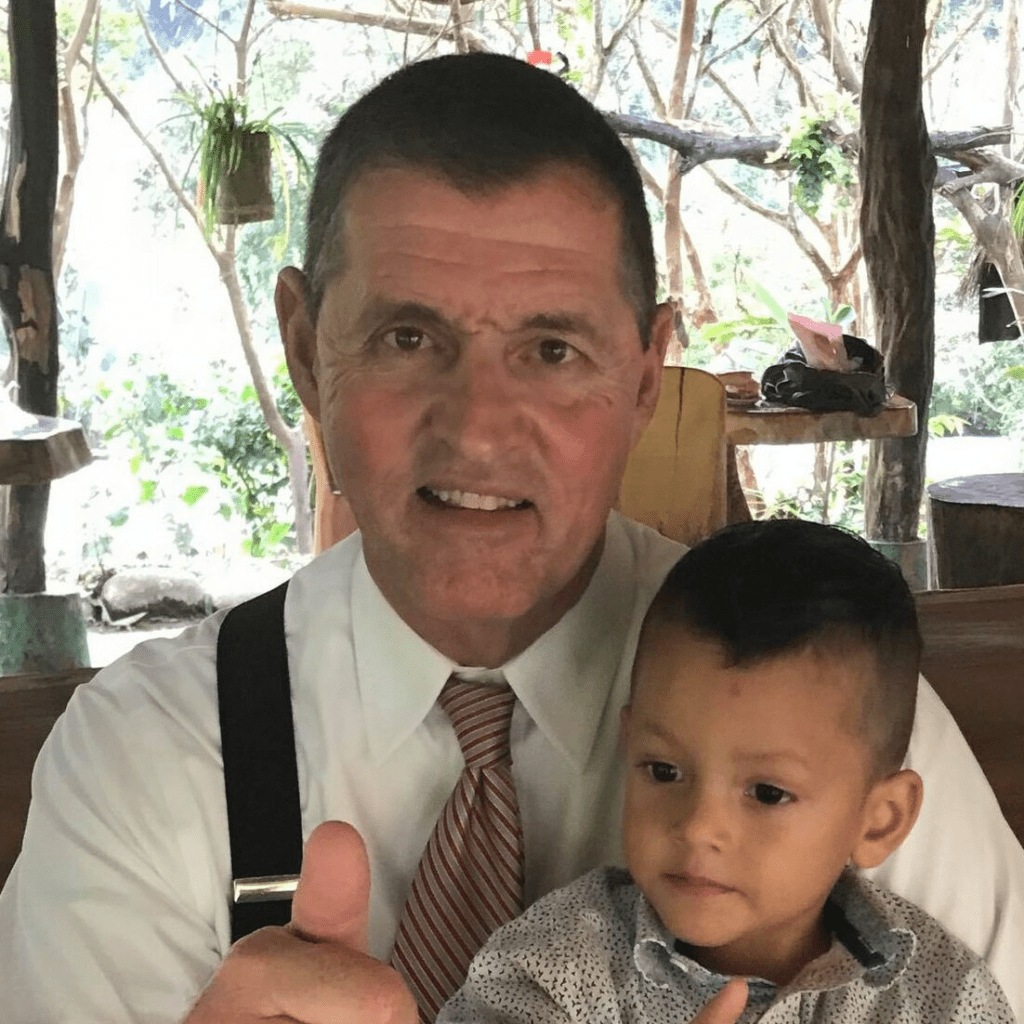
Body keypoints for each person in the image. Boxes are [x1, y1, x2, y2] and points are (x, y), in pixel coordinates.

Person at [0, 52, 1021, 1024]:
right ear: (309, 352)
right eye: (408, 338)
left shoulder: (830, 709)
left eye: (551, 347)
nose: (478, 428)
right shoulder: (152, 759)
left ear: (643, 371)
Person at [438, 520, 1016, 1024]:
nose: (698, 827)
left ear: (878, 822)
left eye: (767, 792)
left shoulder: (942, 997)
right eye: (664, 771)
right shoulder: (553, 967)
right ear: (628, 746)